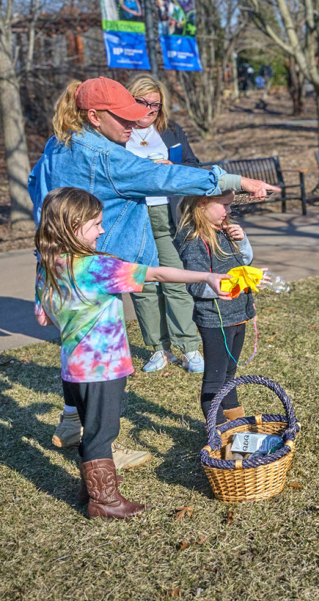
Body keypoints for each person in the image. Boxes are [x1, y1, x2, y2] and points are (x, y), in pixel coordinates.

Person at [29, 77, 279, 450]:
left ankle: (71, 420)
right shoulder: (106, 156)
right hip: (99, 268)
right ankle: (100, 451)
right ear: (95, 117)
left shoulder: (57, 144)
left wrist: (43, 277)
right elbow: (167, 177)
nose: (133, 126)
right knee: (104, 365)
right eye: (124, 120)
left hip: (62, 266)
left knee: (74, 346)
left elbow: (40, 201)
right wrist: (235, 180)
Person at [34, 187, 229, 518]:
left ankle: (88, 489)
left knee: (90, 426)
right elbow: (157, 273)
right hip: (103, 368)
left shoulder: (48, 265)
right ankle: (105, 501)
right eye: (96, 224)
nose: (102, 230)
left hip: (73, 367)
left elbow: (42, 317)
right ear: (72, 225)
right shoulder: (97, 267)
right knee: (102, 432)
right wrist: (207, 276)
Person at [125, 75, 206, 374]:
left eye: (155, 104)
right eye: (142, 102)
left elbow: (194, 166)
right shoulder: (119, 133)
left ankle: (189, 348)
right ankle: (159, 349)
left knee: (176, 279)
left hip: (167, 215)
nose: (149, 109)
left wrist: (175, 169)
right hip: (134, 217)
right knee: (143, 283)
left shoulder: (171, 132)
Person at [174, 192, 258, 422]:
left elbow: (245, 261)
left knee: (230, 372)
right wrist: (231, 287)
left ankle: (235, 421)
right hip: (216, 320)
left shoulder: (225, 229)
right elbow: (196, 285)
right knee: (215, 379)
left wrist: (242, 240)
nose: (229, 211)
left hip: (238, 314)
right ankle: (218, 431)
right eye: (225, 205)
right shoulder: (192, 240)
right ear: (202, 203)